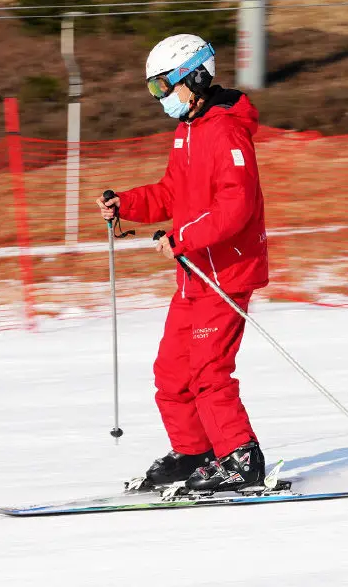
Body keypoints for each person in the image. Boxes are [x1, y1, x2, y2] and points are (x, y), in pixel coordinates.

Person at [96, 34, 269, 491]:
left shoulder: (228, 131)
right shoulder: (187, 131)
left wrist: (182, 236)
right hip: (195, 273)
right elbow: (173, 192)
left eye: (164, 86)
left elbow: (237, 205)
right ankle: (194, 454)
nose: (161, 97)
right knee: (171, 372)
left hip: (226, 271)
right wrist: (126, 203)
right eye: (154, 89)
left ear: (194, 77)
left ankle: (240, 458)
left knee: (209, 370)